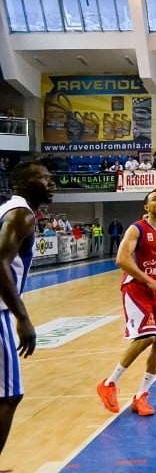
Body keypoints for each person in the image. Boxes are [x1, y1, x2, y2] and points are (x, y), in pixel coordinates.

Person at [96, 188, 156, 417]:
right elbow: (121, 259)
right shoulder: (137, 229)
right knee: (147, 336)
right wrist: (149, 280)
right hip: (136, 287)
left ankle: (141, 396)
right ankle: (109, 384)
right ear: (146, 207)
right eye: (155, 199)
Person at [0, 162, 54, 456]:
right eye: (44, 178)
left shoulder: (9, 209)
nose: (51, 182)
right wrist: (23, 318)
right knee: (9, 395)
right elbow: (0, 263)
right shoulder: (21, 214)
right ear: (22, 183)